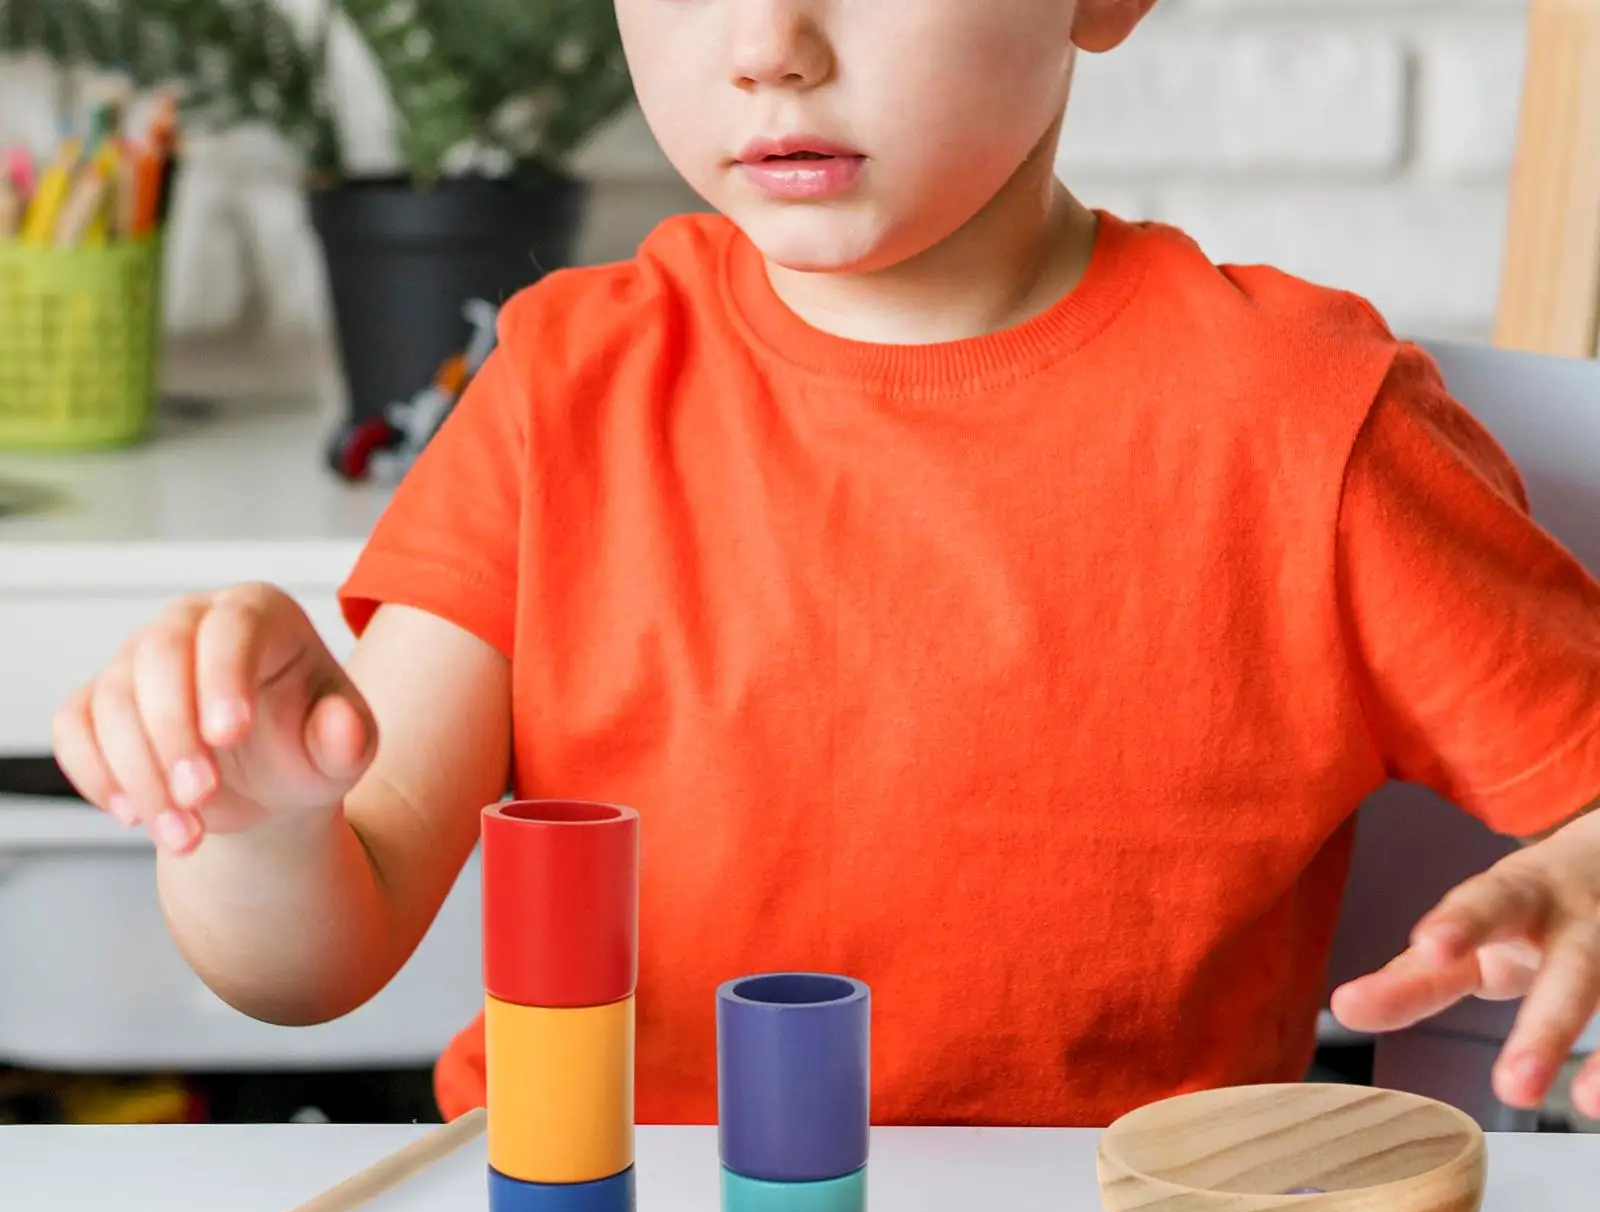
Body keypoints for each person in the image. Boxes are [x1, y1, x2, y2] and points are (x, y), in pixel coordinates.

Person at [51, 0, 1600, 1129]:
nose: (767, 41)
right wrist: (249, 818)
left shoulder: (1307, 417)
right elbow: (325, 945)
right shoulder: (562, 390)